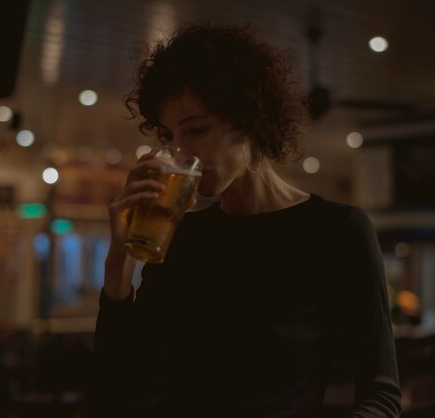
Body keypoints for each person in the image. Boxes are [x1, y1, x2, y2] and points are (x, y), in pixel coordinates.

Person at [92, 22, 401, 418]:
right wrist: (119, 265)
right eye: (169, 137)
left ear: (251, 121)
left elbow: (382, 395)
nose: (182, 153)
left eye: (197, 130)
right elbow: (121, 394)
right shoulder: (182, 238)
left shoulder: (336, 232)